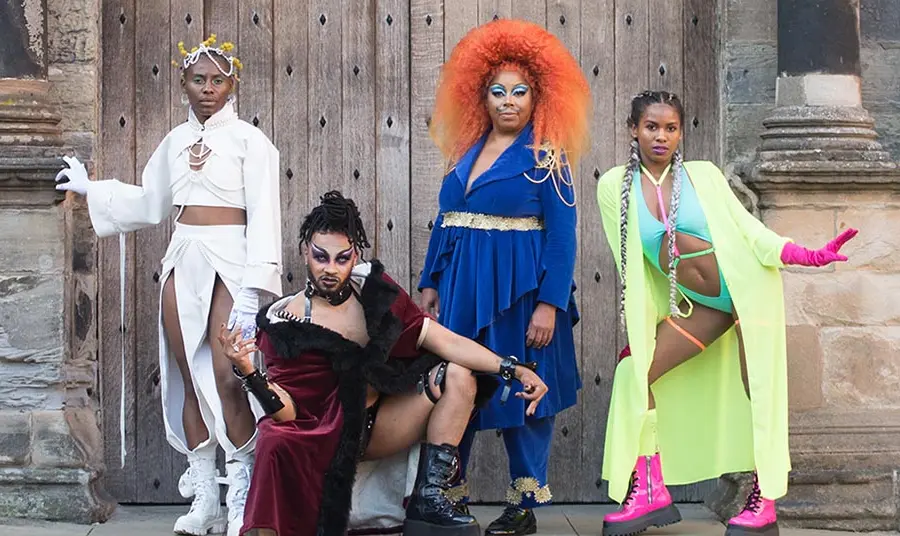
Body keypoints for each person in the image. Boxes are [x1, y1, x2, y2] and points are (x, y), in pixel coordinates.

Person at [595, 90, 857, 536]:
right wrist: (646, 328)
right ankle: (649, 490)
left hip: (746, 294)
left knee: (759, 392)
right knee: (633, 374)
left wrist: (805, 254)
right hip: (701, 308)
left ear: (681, 133)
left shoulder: (703, 177)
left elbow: (749, 231)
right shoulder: (612, 186)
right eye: (651, 127)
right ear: (632, 130)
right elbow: (633, 268)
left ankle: (764, 498)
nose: (661, 136)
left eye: (671, 128)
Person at [220, 191, 549, 536]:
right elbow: (287, 413)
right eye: (321, 257)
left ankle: (430, 499)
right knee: (277, 437)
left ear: (356, 255)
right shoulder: (285, 322)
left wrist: (511, 368)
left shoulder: (375, 295)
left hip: (379, 425)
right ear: (305, 252)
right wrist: (248, 370)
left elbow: (445, 340)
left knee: (457, 372)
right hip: (323, 434)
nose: (330, 269)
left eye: (341, 258)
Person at [55, 35, 282, 536]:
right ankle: (205, 499)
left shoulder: (252, 141)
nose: (208, 89)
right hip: (184, 255)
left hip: (232, 259)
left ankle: (242, 496)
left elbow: (266, 216)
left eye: (217, 80)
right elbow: (152, 203)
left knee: (228, 376)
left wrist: (251, 292)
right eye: (198, 79)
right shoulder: (175, 142)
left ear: (232, 84)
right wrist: (93, 188)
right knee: (185, 374)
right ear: (183, 83)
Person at [418, 18, 591, 536]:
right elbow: (446, 222)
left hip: (523, 296)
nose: (509, 101)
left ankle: (523, 506)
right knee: (461, 384)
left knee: (525, 395)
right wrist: (430, 281)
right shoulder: (461, 156)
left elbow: (563, 239)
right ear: (483, 97)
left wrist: (549, 304)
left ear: (539, 99)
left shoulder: (548, 160)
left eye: (520, 92)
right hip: (464, 292)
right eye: (498, 91)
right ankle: (447, 492)